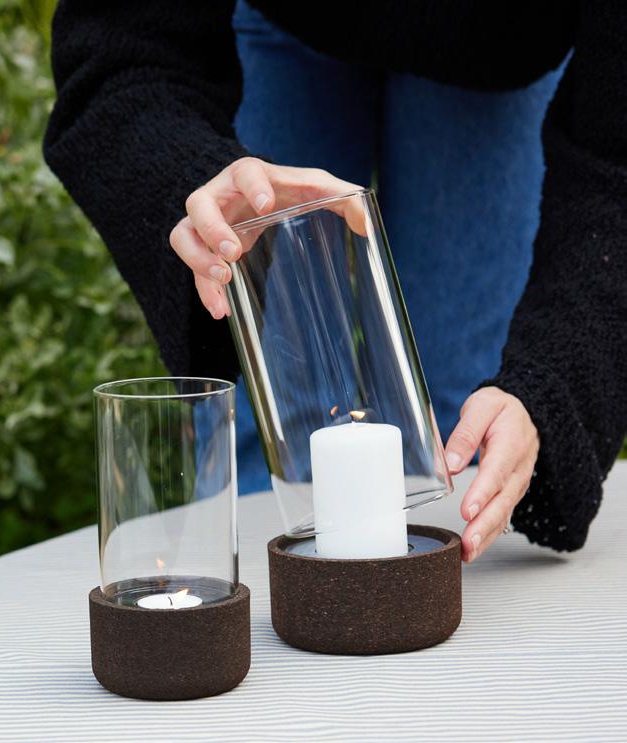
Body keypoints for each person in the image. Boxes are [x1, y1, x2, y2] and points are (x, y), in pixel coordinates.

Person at [44, 1, 627, 562]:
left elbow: (616, 170)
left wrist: (550, 386)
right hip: (295, 22)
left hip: (495, 41)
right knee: (266, 423)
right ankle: (278, 609)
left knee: (462, 430)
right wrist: (194, 177)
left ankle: (419, 603)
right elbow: (122, 52)